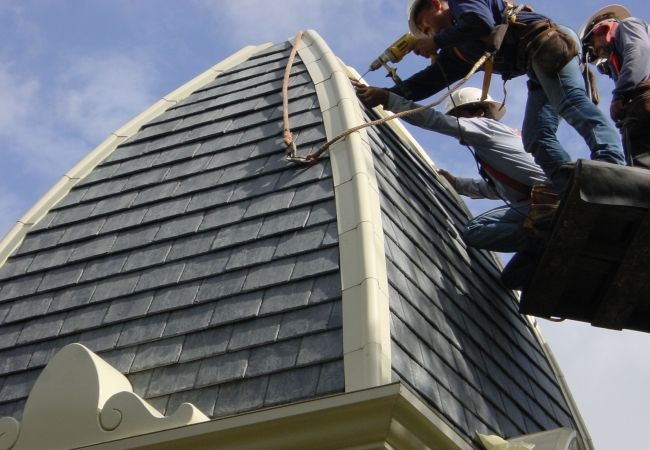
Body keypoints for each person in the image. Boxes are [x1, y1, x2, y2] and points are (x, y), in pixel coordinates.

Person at [361, 0, 626, 192]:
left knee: (571, 103)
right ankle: (570, 190)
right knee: (536, 137)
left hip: (547, 42)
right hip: (535, 60)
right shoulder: (460, 50)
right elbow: (429, 80)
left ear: (436, 4)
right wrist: (388, 95)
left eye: (426, 27)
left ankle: (612, 169)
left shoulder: (462, 5)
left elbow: (480, 22)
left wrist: (436, 43)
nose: (430, 34)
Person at [353, 81, 549, 287]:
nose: (456, 122)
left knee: (476, 231)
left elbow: (434, 120)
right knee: (512, 278)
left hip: (545, 204)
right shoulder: (503, 139)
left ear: (478, 113)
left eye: (458, 116)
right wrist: (457, 184)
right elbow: (496, 189)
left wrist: (388, 99)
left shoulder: (485, 127)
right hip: (544, 200)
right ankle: (544, 240)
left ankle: (545, 234)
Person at [580, 5, 650, 168]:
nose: (597, 53)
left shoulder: (627, 25)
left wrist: (620, 95)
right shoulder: (616, 59)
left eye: (593, 46)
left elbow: (639, 52)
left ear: (600, 29)